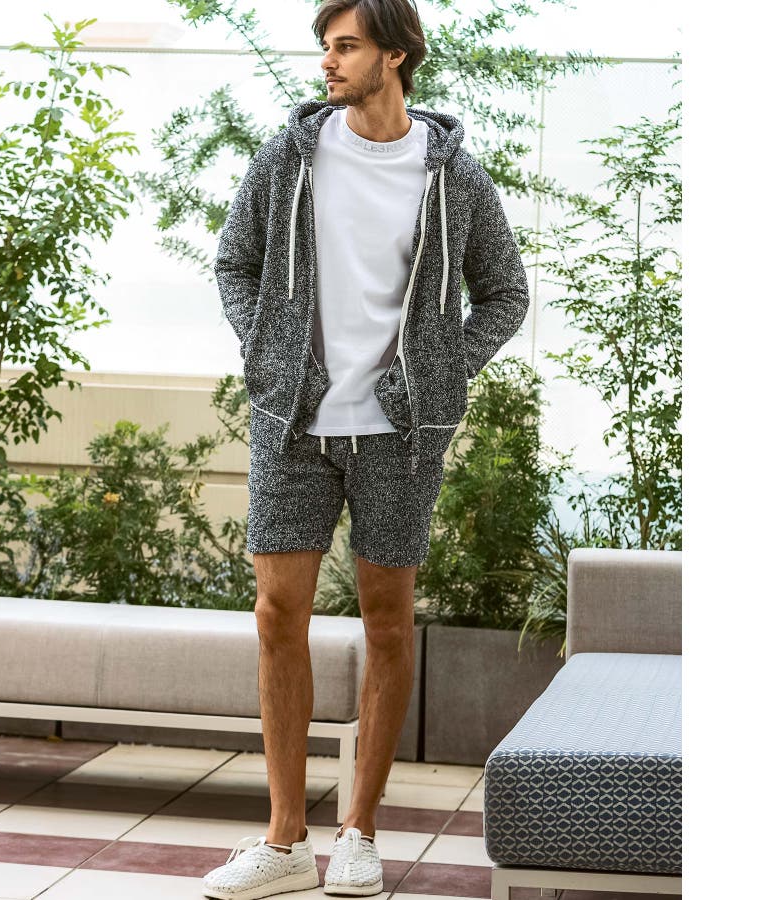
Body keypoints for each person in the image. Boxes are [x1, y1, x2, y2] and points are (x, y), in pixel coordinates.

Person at [204, 1, 529, 896]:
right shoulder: (291, 157)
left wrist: (433, 375)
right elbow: (234, 261)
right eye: (326, 46)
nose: (327, 62)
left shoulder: (452, 176)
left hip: (399, 436)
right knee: (277, 614)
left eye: (345, 46)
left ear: (396, 55)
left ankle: (359, 832)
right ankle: (284, 843)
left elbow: (505, 293)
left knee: (386, 623)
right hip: (293, 425)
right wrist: (271, 356)